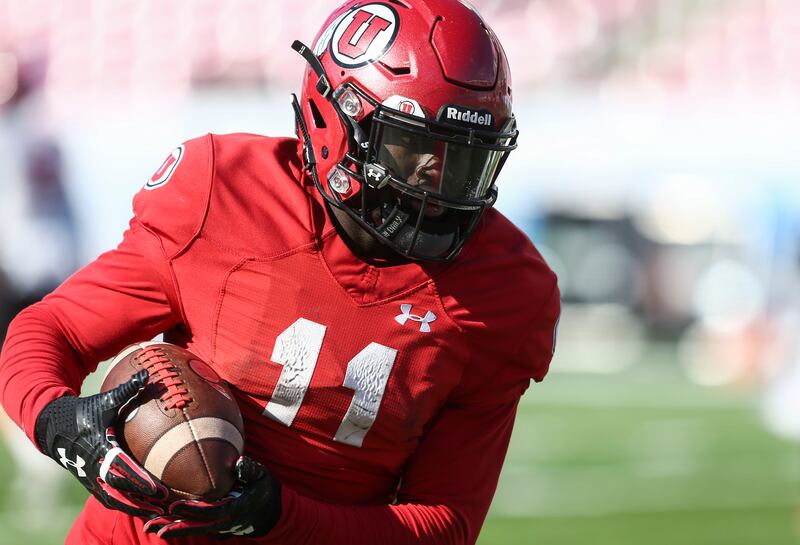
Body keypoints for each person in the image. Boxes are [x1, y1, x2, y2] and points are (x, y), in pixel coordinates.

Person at [0, 1, 560, 543]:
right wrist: (56, 418)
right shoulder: (223, 193)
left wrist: (280, 519)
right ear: (336, 123)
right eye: (412, 148)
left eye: (465, 159)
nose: (438, 190)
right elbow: (52, 331)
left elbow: (445, 523)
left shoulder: (507, 291)